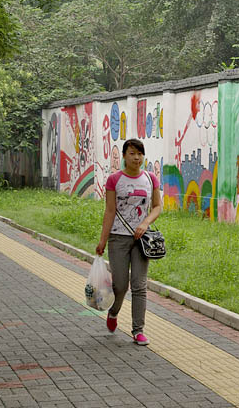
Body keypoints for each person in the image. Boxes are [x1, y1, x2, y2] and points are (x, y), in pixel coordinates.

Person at [96, 138, 162, 345]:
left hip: (142, 240)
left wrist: (145, 223)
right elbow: (110, 210)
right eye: (132, 153)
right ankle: (113, 312)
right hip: (118, 238)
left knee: (139, 285)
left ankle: (138, 330)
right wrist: (103, 241)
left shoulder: (150, 179)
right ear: (124, 156)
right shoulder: (115, 180)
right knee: (120, 285)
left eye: (140, 154)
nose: (136, 158)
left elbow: (158, 207)